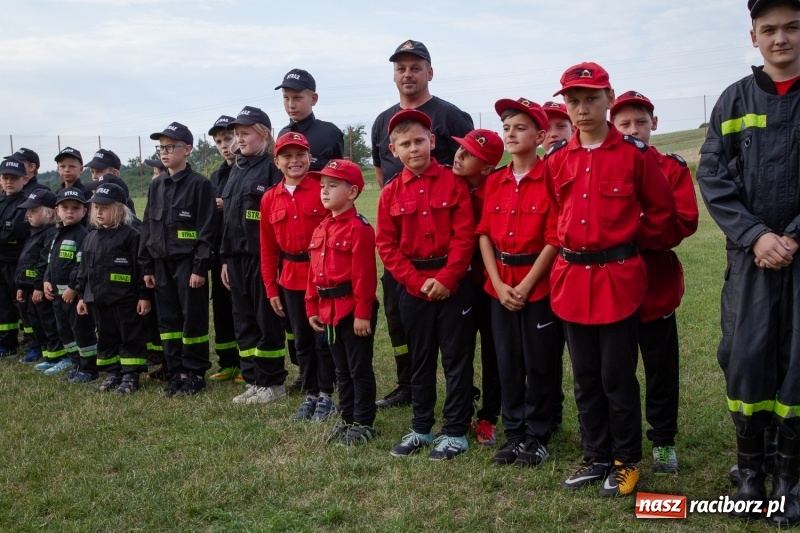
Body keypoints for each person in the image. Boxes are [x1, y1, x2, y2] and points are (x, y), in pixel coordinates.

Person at [544, 62, 676, 497]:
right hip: (571, 279)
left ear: (609, 98)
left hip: (617, 281)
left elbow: (662, 214)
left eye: (591, 99)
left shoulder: (635, 155)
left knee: (617, 377)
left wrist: (624, 242)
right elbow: (556, 213)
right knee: (585, 377)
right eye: (573, 101)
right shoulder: (557, 159)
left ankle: (625, 461)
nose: (582, 109)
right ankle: (596, 455)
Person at [697, 0, 800, 524]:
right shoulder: (733, 100)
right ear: (754, 36)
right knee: (745, 360)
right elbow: (713, 176)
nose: (781, 38)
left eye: (792, 27)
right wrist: (757, 236)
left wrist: (793, 236)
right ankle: (751, 475)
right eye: (770, 29)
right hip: (750, 261)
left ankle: (788, 481)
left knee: (798, 364)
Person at [371, 39, 475, 410]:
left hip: (447, 244)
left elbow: (470, 171)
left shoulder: (451, 116)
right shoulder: (382, 121)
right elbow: (383, 175)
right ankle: (408, 386)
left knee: (453, 335)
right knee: (402, 322)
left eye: (416, 67)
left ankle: (462, 399)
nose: (408, 74)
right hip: (404, 239)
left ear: (430, 72)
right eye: (401, 68)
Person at [376, 109, 475, 460]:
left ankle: (455, 431)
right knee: (420, 359)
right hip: (412, 286)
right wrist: (417, 282)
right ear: (393, 150)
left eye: (419, 140)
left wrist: (447, 278)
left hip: (453, 284)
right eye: (405, 144)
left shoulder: (454, 182)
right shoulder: (390, 193)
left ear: (432, 141)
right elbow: (387, 245)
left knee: (456, 358)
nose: (414, 148)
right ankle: (421, 428)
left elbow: (465, 235)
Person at [610, 90, 699, 475]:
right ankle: (616, 441)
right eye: (624, 124)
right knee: (615, 371)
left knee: (661, 370)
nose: (633, 130)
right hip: (612, 288)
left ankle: (663, 441)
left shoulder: (671, 167)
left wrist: (622, 234)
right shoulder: (606, 166)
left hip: (655, 285)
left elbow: (681, 223)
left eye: (640, 123)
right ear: (613, 127)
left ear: (654, 124)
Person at [477, 99, 562, 468]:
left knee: (540, 362)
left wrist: (526, 286)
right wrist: (497, 284)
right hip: (500, 285)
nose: (510, 134)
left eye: (520, 128)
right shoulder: (495, 181)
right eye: (506, 127)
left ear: (540, 136)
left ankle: (538, 434)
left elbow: (554, 238)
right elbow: (483, 234)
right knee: (507, 361)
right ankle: (514, 433)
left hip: (537, 287)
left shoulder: (551, 179)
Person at [260, 132, 334, 420]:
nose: (295, 161)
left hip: (323, 274)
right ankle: (311, 392)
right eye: (287, 156)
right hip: (291, 278)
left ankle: (327, 393)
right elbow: (268, 247)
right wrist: (271, 288)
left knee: (323, 338)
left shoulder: (322, 188)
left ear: (309, 157)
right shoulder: (270, 198)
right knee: (301, 339)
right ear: (276, 162)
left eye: (300, 154)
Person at [140, 122, 216, 397]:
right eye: (161, 147)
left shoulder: (200, 185)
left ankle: (195, 373)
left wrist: (200, 267)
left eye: (170, 146)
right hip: (161, 264)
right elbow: (148, 228)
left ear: (187, 150)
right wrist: (147, 265)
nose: (164, 152)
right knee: (168, 321)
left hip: (188, 264)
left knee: (192, 319)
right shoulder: (156, 186)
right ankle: (176, 371)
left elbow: (207, 229)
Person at [306, 159, 379, 445]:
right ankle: (348, 418)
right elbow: (313, 273)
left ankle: (364, 422)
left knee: (359, 368)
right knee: (341, 369)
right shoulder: (321, 228)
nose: (324, 191)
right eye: (322, 186)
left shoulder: (359, 228)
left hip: (353, 310)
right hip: (329, 310)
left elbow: (365, 276)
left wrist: (363, 313)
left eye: (332, 185)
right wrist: (312, 306)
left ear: (352, 192)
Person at [220, 106, 287, 405]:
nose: (239, 139)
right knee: (243, 321)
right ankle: (253, 380)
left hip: (261, 258)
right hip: (235, 259)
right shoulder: (236, 168)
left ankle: (273, 383)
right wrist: (225, 259)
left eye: (245, 133)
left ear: (264, 134)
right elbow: (227, 219)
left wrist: (276, 261)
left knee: (266, 321)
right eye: (237, 134)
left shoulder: (273, 169)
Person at [451, 128, 504, 447]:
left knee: (493, 351)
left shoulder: (496, 190)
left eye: (469, 154)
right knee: (460, 349)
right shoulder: (450, 184)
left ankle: (489, 415)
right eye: (461, 148)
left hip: (490, 283)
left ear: (486, 168)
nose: (459, 155)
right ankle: (465, 406)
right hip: (459, 283)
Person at [75, 183, 151, 394]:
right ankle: (113, 373)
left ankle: (131, 375)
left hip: (125, 300)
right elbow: (84, 271)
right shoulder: (90, 238)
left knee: (130, 336)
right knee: (107, 337)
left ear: (119, 209)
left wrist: (144, 296)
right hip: (99, 300)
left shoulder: (131, 236)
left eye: (105, 208)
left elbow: (141, 269)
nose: (99, 212)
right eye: (96, 208)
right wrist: (82, 296)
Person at [42, 187, 98, 381]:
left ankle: (89, 369)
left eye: (76, 208)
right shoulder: (57, 234)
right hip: (58, 298)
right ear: (57, 210)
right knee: (65, 332)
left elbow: (81, 266)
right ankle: (77, 363)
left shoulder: (82, 235)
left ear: (84, 211)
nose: (70, 212)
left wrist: (73, 288)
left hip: (74, 298)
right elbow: (51, 261)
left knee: (82, 333)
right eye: (65, 208)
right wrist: (46, 280)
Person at [205, 115, 241, 384]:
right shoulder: (216, 176)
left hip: (241, 249)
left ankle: (247, 364)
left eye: (228, 138)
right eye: (218, 142)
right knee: (221, 307)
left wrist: (227, 204)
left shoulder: (247, 169)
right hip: (219, 251)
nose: (224, 145)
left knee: (242, 307)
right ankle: (228, 362)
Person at [14, 190, 62, 364]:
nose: (29, 214)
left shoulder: (51, 234)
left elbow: (44, 263)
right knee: (33, 320)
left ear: (49, 213)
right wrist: (21, 285)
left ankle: (54, 355)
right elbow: (26, 261)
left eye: (33, 211)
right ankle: (40, 349)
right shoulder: (33, 232)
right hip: (28, 288)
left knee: (47, 321)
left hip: (40, 289)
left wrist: (38, 286)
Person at [276, 69, 344, 171]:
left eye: (297, 98)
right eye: (286, 98)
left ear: (314, 99)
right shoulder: (283, 134)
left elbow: (339, 175)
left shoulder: (330, 133)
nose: (291, 105)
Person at [0, 158, 31, 358]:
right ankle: (7, 343)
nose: (9, 182)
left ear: (24, 179)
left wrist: (6, 230)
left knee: (21, 302)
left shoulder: (26, 204)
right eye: (5, 178)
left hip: (17, 262)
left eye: (14, 178)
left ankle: (33, 342)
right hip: (1, 260)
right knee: (3, 304)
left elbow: (14, 231)